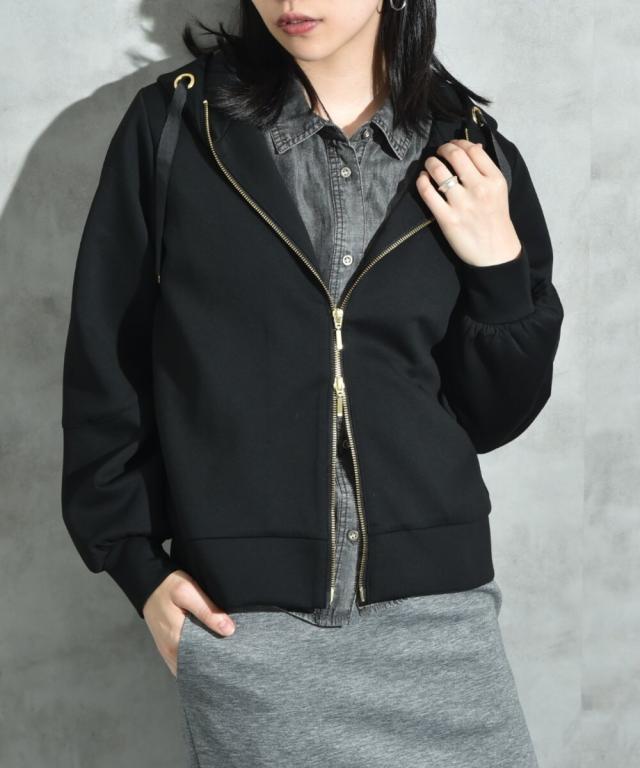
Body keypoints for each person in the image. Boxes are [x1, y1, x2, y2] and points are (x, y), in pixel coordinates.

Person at [61, 1, 564, 765]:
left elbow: (494, 415)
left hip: (440, 620)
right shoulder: (176, 128)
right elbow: (107, 368)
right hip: (248, 628)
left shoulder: (469, 152)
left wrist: (499, 271)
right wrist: (138, 569)